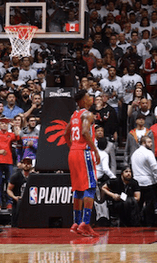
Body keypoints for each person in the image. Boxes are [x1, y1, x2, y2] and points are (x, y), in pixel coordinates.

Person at [68, 89, 102, 236]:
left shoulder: (73, 115)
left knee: (79, 189)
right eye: (88, 96)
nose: (91, 98)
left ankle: (76, 223)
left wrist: (73, 147)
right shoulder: (87, 114)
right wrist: (95, 150)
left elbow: (66, 133)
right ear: (83, 100)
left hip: (73, 152)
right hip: (84, 152)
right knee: (91, 186)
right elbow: (85, 132)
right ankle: (85, 223)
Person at [130, 134, 157, 227]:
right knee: (150, 204)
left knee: (139, 204)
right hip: (148, 182)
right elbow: (154, 168)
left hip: (137, 181)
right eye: (149, 142)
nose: (151, 144)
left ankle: (137, 223)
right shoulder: (148, 153)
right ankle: (149, 223)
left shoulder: (134, 153)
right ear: (143, 143)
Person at [7, 157, 33, 227]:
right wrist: (14, 197)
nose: (26, 165)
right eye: (24, 163)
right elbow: (9, 189)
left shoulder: (34, 176)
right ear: (21, 164)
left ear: (31, 165)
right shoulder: (15, 176)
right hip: (18, 201)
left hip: (30, 202)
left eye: (28, 163)